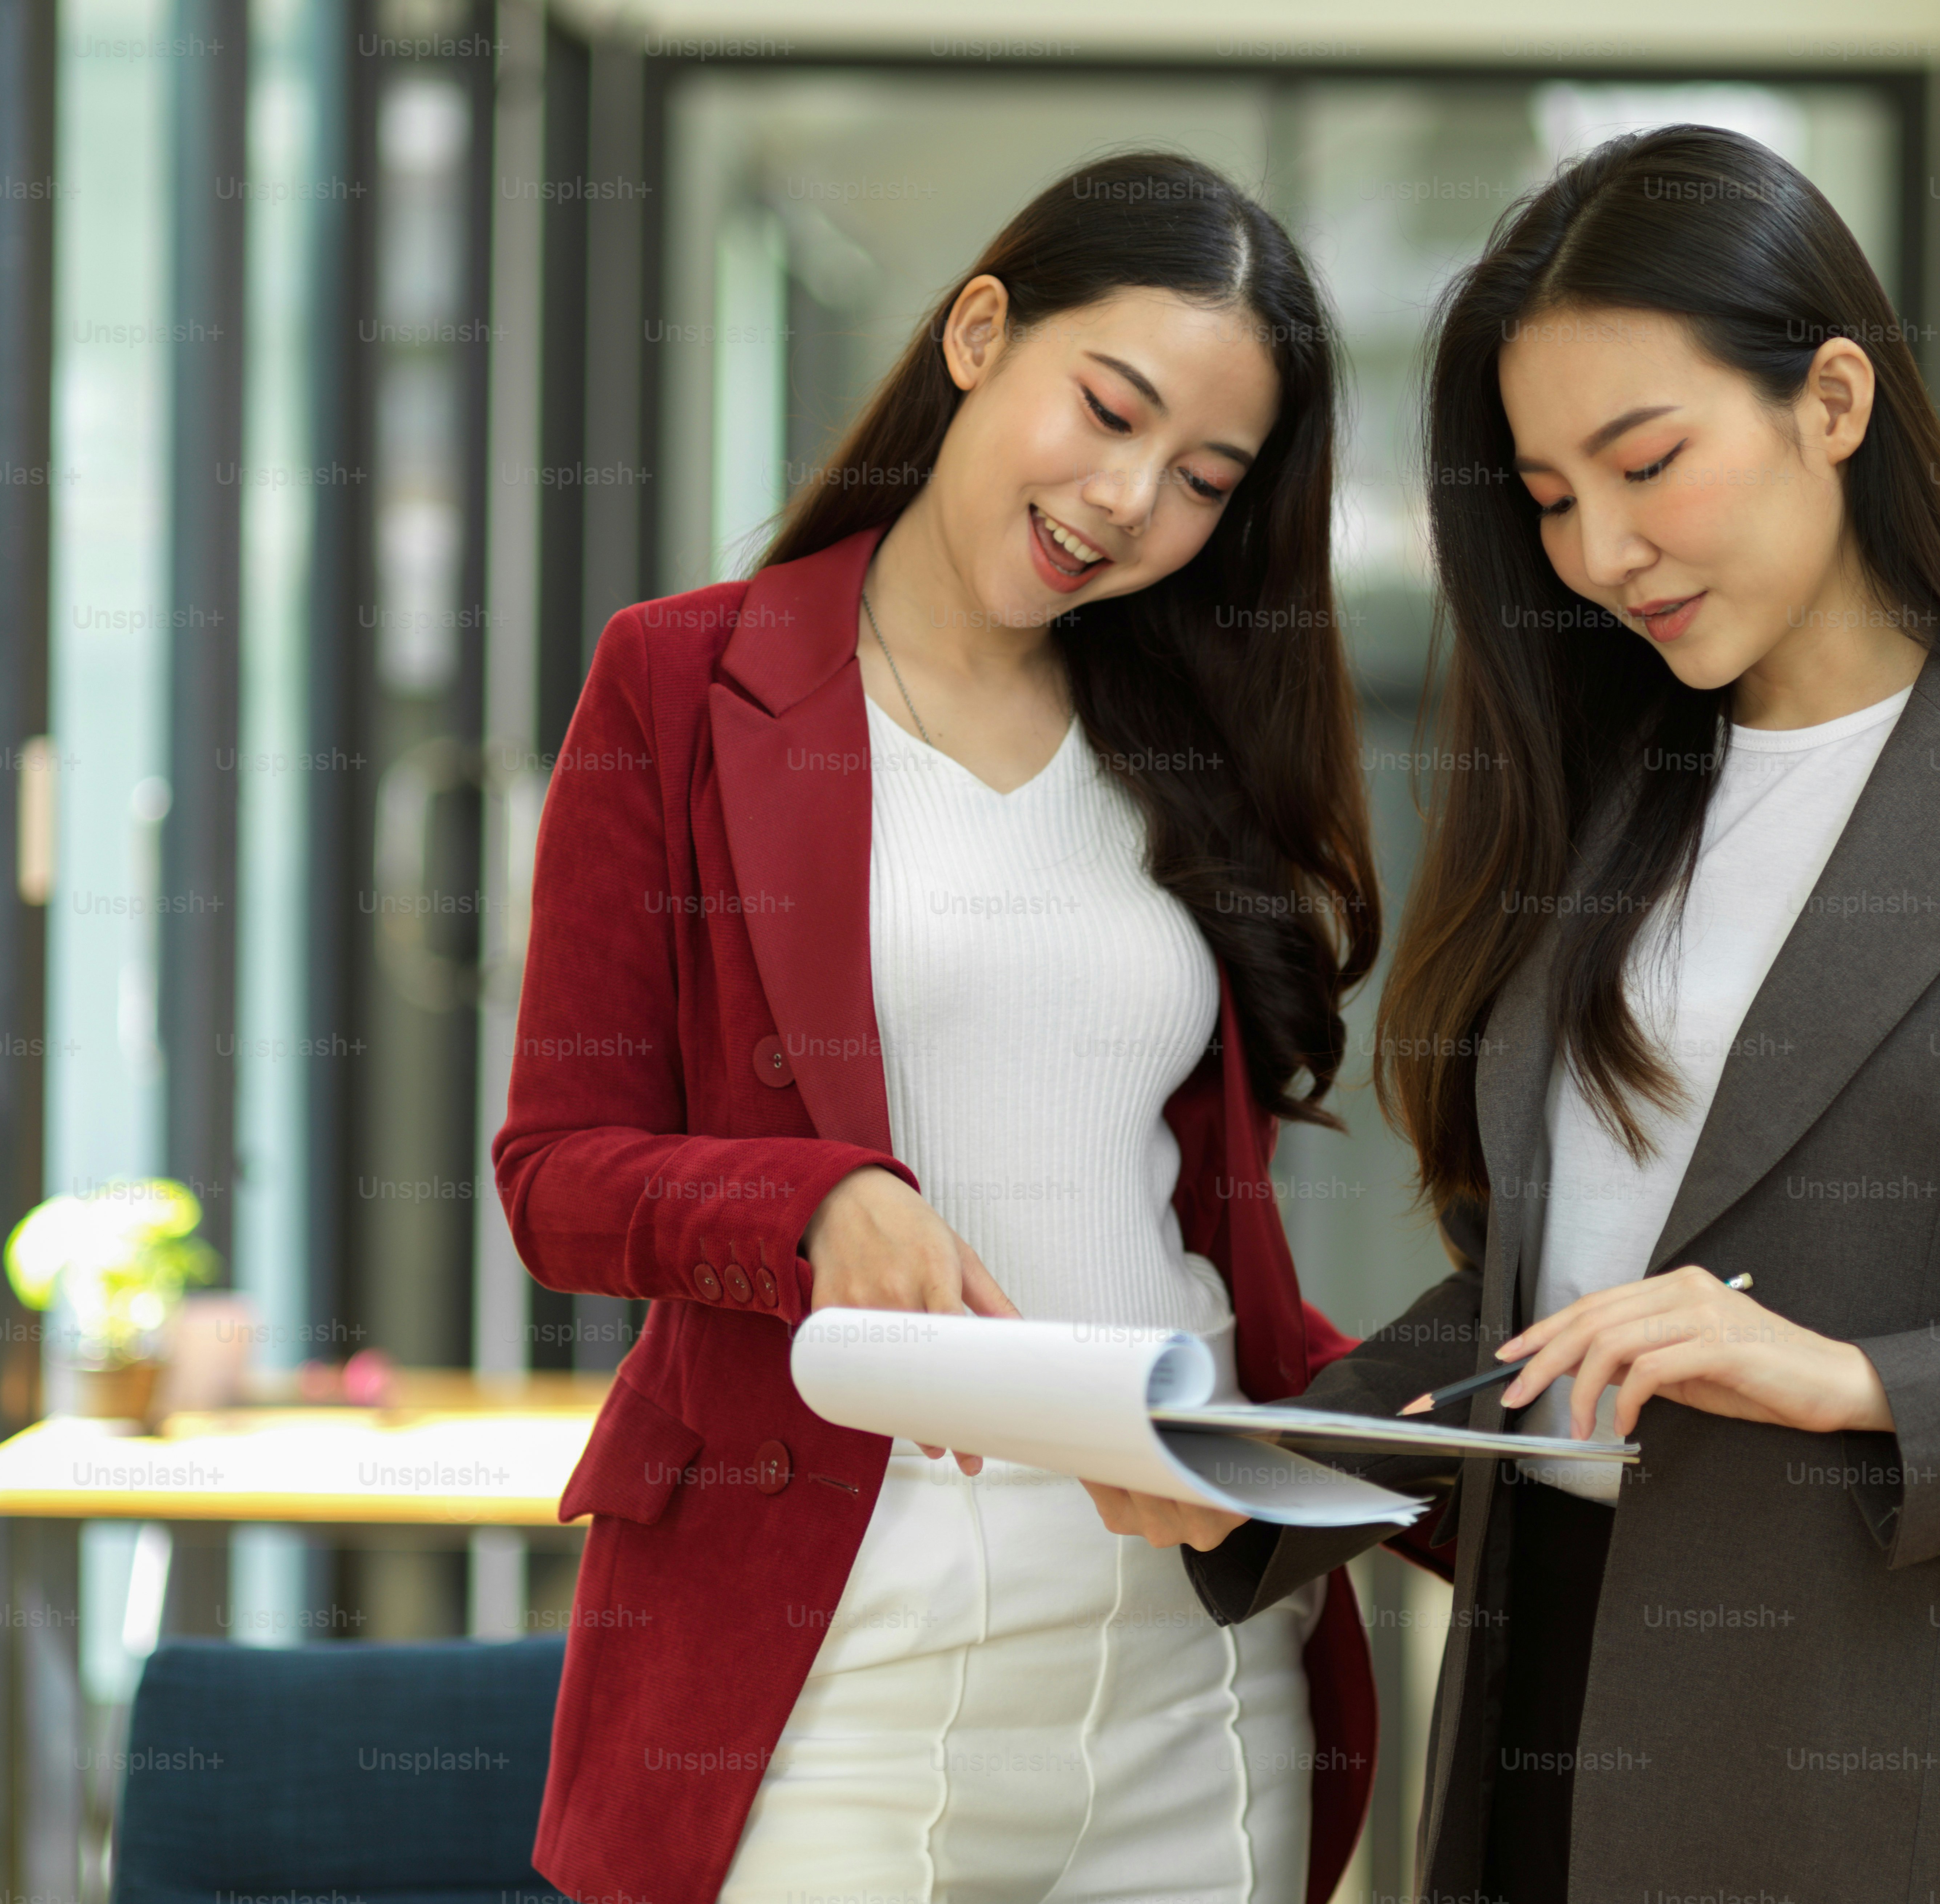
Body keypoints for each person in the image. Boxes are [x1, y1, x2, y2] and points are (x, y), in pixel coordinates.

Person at [1089, 125, 1940, 1901]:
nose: (1603, 548)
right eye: (1551, 499)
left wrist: (1862, 1380)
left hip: (1848, 1767)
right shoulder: (1615, 792)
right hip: (1523, 1711)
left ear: (1835, 398)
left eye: (1647, 461)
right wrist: (1265, 1468)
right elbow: (1545, 1308)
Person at [493, 150, 1389, 1904]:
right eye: (1108, 409)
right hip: (838, 1662)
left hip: (1187, 1667)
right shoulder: (681, 683)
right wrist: (809, 1207)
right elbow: (554, 1176)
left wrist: (1404, 1441)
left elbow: (1196, 1235)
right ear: (981, 331)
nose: (1130, 500)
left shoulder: (1188, 749)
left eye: (1203, 478)